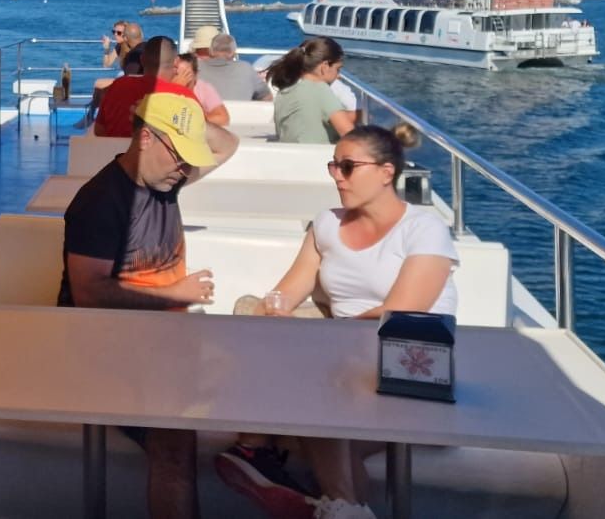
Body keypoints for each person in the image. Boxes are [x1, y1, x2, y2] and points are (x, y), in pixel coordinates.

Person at [216, 125, 456, 519]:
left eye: (348, 167)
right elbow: (286, 293)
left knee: (319, 390)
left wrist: (312, 340)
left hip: (410, 363)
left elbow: (399, 313)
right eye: (333, 167)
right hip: (341, 359)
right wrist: (271, 313)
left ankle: (256, 448)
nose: (337, 177)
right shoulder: (326, 224)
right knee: (252, 311)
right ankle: (343, 507)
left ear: (386, 172)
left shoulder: (423, 229)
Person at [60, 93, 239, 519]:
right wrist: (177, 295)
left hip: (170, 340)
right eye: (180, 155)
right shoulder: (100, 202)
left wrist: (187, 113)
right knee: (174, 444)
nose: (185, 168)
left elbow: (228, 143)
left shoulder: (166, 175)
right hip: (108, 345)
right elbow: (89, 294)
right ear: (146, 140)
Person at [93, 36, 198, 138]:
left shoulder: (118, 85)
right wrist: (179, 91)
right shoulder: (184, 95)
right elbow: (198, 134)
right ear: (176, 62)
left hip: (115, 153)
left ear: (142, 59)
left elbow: (99, 130)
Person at [266, 38, 357, 144]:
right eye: (337, 69)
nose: (339, 76)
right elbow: (349, 135)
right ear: (325, 66)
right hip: (317, 158)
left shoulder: (284, 91)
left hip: (290, 157)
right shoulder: (321, 90)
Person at [80, 20, 144, 128]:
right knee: (100, 91)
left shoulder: (135, 49)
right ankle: (93, 117)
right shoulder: (119, 47)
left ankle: (92, 117)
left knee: (98, 84)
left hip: (132, 82)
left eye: (119, 33)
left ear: (126, 35)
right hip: (126, 80)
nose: (115, 35)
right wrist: (106, 49)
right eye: (114, 32)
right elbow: (107, 64)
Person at [197, 33, 270, 101]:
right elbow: (267, 97)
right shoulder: (245, 68)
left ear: (210, 51)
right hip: (240, 114)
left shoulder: (196, 69)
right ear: (233, 53)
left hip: (207, 114)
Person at [173, 53, 229, 126]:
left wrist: (197, 118)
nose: (182, 79)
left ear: (196, 75)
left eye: (186, 74)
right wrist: (175, 89)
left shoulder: (203, 88)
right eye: (177, 74)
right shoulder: (165, 88)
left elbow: (223, 118)